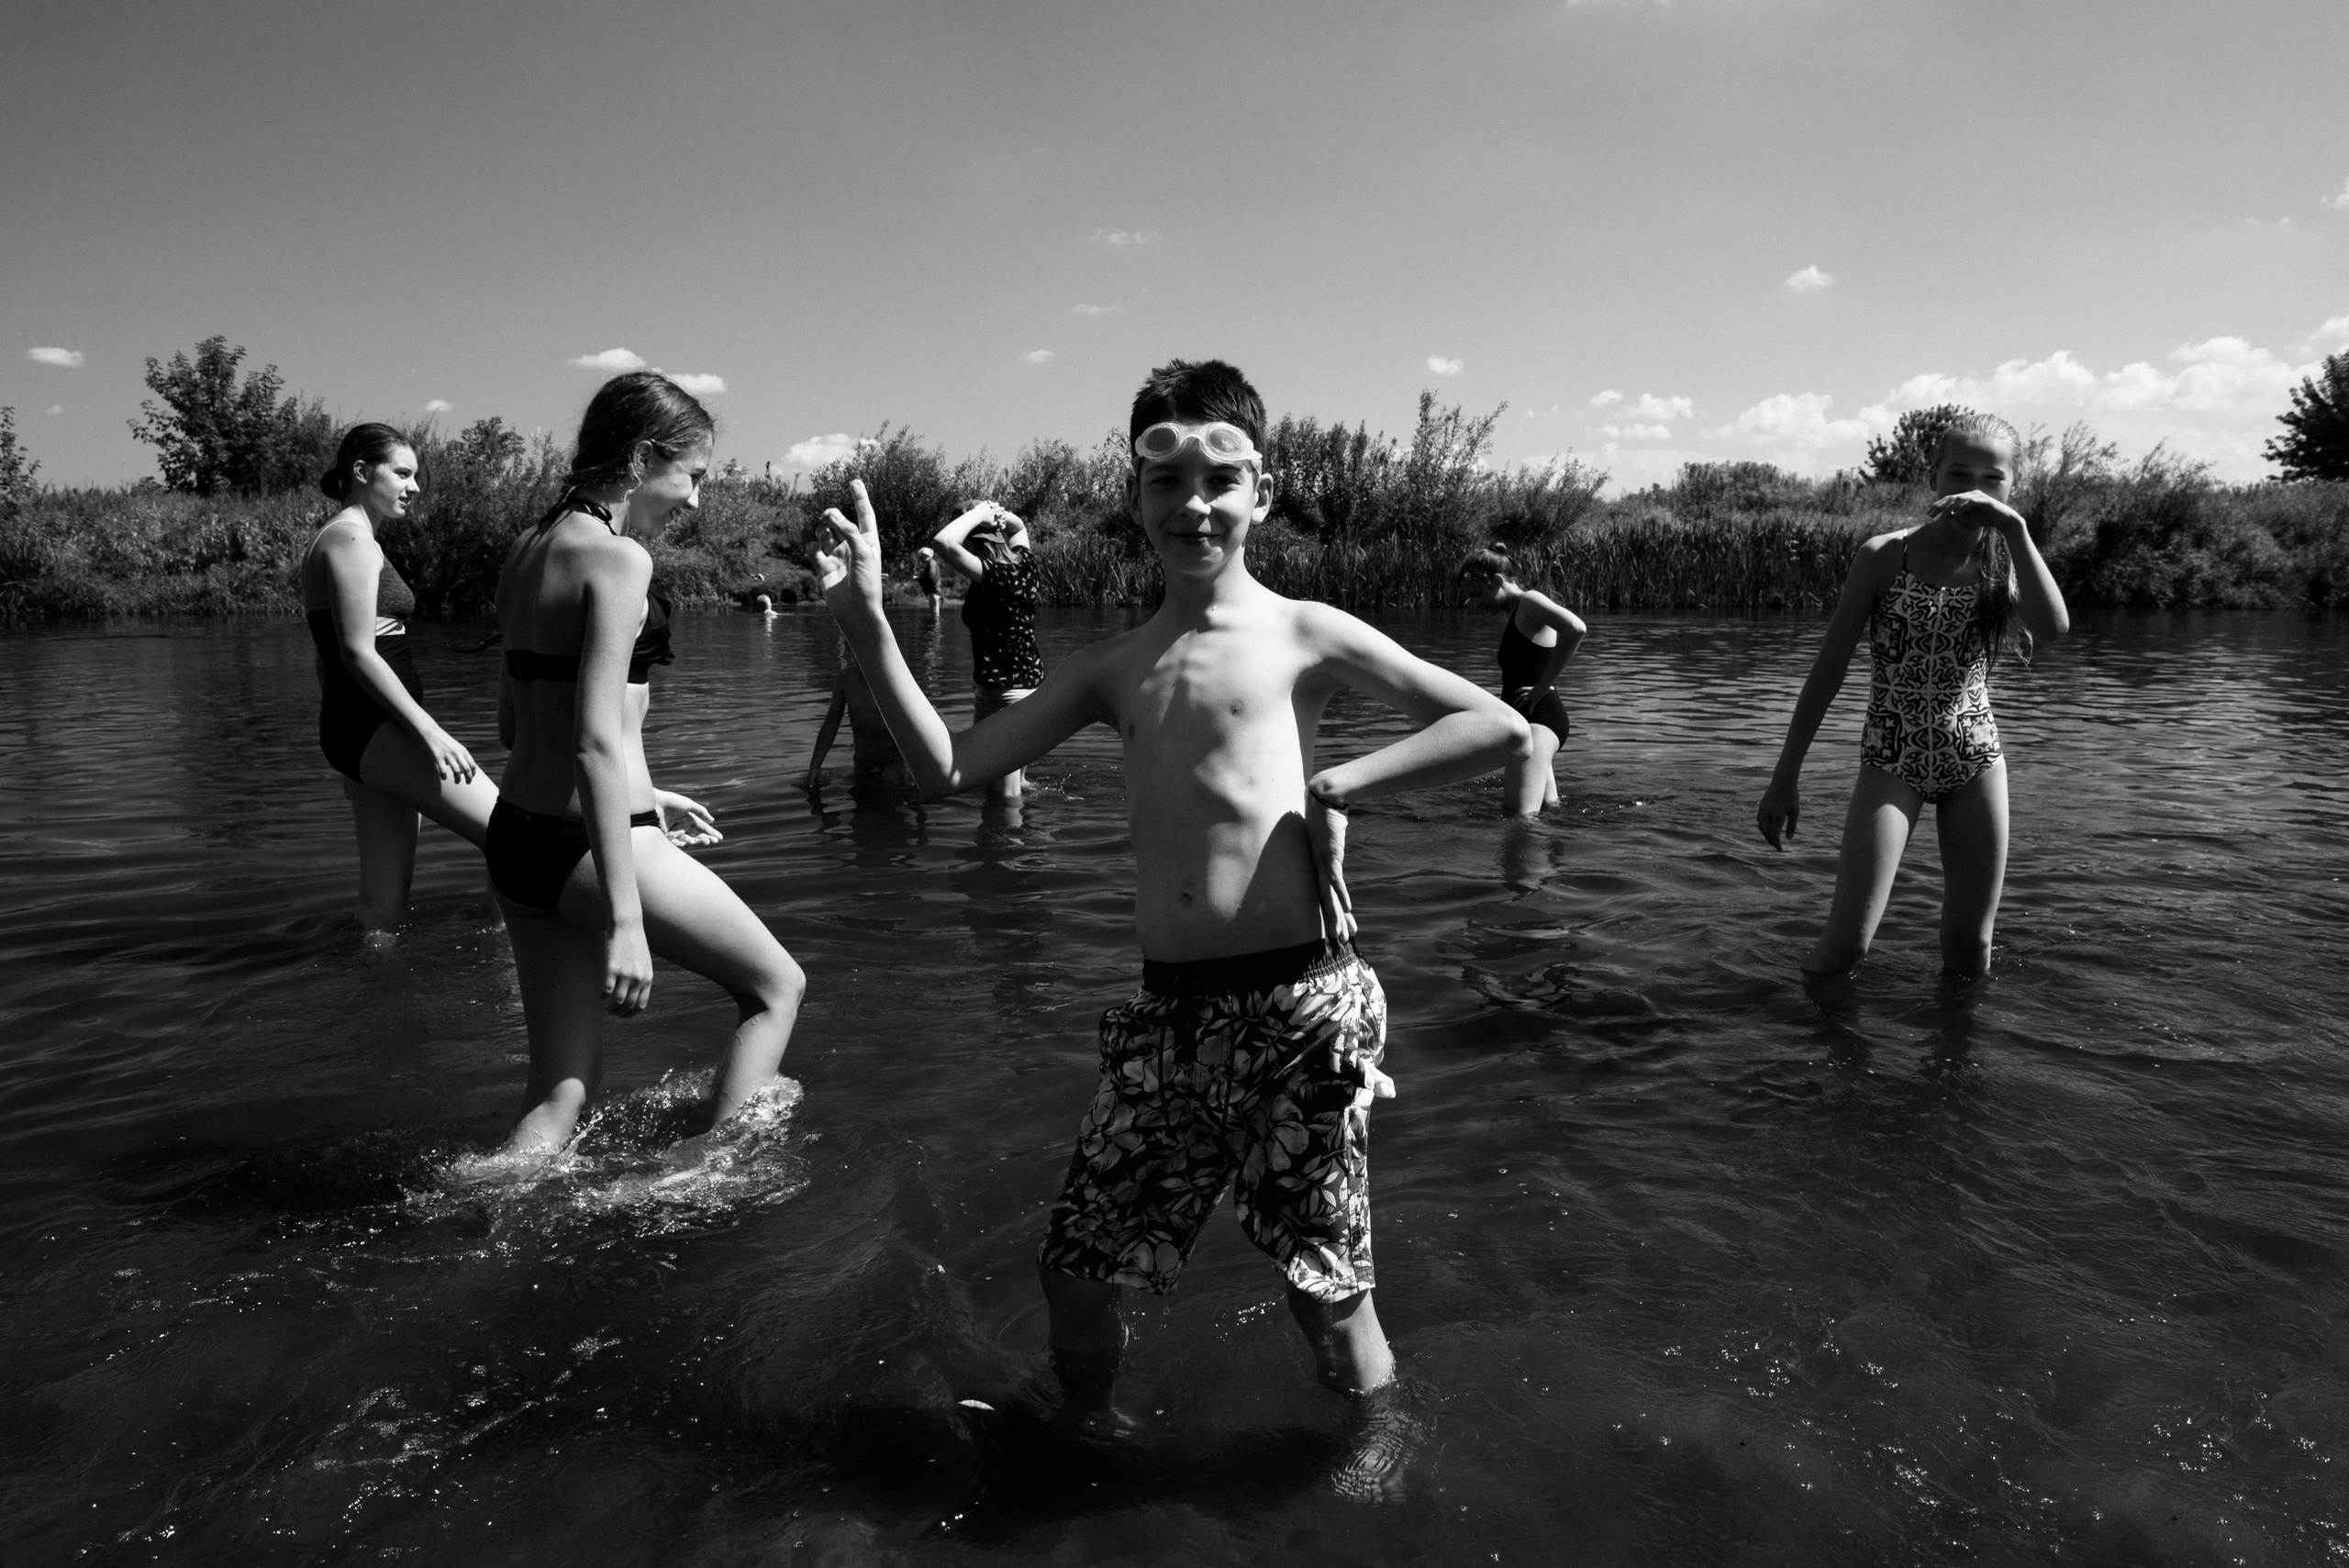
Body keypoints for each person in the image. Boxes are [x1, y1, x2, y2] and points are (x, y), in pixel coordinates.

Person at [818, 359, 1529, 1495]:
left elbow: (1495, 725)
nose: (1194, 502)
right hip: (1167, 1018)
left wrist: (1337, 787)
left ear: (1260, 492)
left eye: (1221, 477)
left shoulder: (1304, 631)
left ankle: (1377, 1458)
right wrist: (866, 622)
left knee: (1324, 1288)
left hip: (1302, 1003)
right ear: (1136, 496)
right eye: (1168, 479)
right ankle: (1087, 1429)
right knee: (1073, 1267)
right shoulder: (1113, 666)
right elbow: (948, 770)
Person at [486, 372, 805, 1158]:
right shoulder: (619, 558)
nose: (696, 499)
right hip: (596, 845)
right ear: (640, 458)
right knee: (775, 989)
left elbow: (512, 724)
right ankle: (701, 1177)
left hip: (517, 838)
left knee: (561, 1095)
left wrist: (649, 785)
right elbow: (595, 742)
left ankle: (470, 1207)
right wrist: (626, 922)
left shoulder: (525, 553)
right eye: (692, 476)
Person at [1756, 412, 2068, 980]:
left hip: (1975, 760)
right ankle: (1803, 1053)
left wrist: (2016, 530)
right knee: (1847, 947)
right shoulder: (1884, 555)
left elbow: (2052, 630)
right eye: (1958, 473)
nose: (1974, 488)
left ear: (2011, 489)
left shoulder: (2005, 560)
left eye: (1993, 478)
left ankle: (1956, 1065)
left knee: (1970, 948)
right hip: (1891, 759)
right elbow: (1827, 671)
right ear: (1933, 478)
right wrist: (1786, 775)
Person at [300, 423, 499, 929]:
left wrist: (354, 755)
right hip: (380, 728)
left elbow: (329, 655)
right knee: (512, 837)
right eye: (403, 473)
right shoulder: (351, 538)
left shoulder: (342, 535)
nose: (415, 487)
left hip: (364, 731)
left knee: (382, 901)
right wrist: (428, 733)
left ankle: (377, 992)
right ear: (362, 472)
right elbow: (356, 652)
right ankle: (512, 961)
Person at [1455, 543, 1586, 816]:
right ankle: (1557, 857)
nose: (1474, 603)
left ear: (1497, 582)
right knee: (1549, 811)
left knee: (1520, 819)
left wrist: (1543, 686)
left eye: (1477, 594)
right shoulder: (1516, 612)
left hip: (1539, 721)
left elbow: (1576, 627)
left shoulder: (1529, 602)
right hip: (1530, 722)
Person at [931, 502, 1041, 799]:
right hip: (1026, 691)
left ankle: (1010, 846)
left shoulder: (995, 576)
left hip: (1002, 696)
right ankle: (1025, 841)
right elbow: (1019, 528)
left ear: (972, 541)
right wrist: (1001, 516)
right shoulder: (1025, 566)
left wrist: (979, 514)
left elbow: (943, 542)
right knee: (1016, 789)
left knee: (1002, 801)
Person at [804, 639, 912, 795]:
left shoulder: (893, 679)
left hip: (892, 763)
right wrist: (814, 768)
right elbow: (831, 723)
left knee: (891, 809)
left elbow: (912, 725)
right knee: (861, 815)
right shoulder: (844, 681)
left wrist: (919, 771)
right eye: (853, 649)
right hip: (861, 765)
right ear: (849, 652)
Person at [915, 546, 944, 615]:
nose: (920, 559)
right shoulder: (932, 564)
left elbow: (931, 577)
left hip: (934, 592)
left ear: (926, 556)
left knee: (934, 616)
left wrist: (919, 579)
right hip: (936, 592)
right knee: (935, 616)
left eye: (921, 557)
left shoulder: (932, 564)